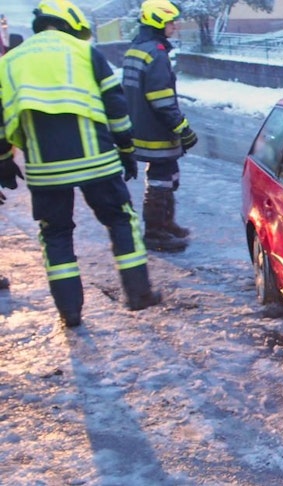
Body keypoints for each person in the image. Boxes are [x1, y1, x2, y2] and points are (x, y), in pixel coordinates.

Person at [0, 0, 162, 327]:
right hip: (96, 161)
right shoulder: (85, 52)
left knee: (55, 234)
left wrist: (4, 160)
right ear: (71, 24)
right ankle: (138, 293)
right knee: (120, 220)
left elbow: (2, 117)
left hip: (45, 169)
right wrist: (126, 149)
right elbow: (115, 105)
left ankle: (70, 312)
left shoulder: (10, 61)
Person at [122, 0, 197, 253]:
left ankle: (166, 224)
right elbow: (162, 100)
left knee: (167, 176)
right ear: (157, 22)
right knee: (160, 180)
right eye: (170, 21)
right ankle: (155, 233)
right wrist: (183, 129)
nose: (174, 26)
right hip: (156, 132)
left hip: (142, 128)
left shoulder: (138, 48)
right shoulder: (155, 53)